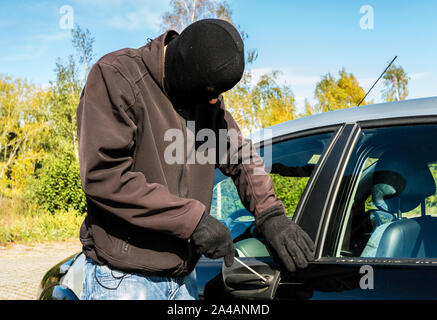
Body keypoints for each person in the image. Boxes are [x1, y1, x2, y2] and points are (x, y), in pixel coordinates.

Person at [77, 18, 315, 300]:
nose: (216, 102)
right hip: (126, 279)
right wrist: (194, 221)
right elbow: (104, 175)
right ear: (183, 74)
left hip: (184, 277)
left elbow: (239, 153)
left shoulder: (202, 96)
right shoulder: (117, 77)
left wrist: (270, 215)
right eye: (211, 94)